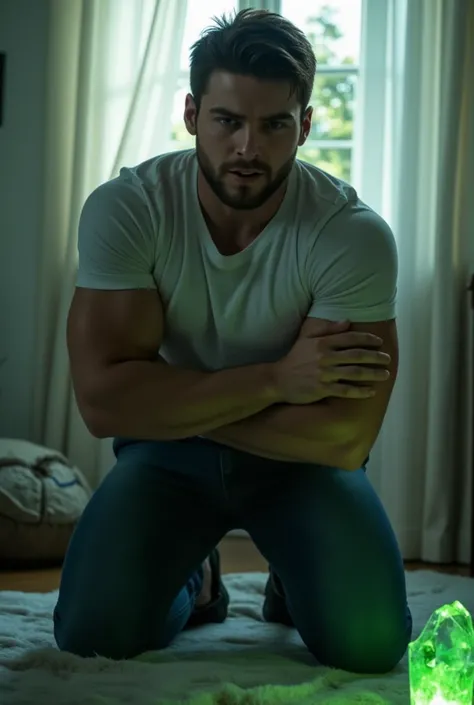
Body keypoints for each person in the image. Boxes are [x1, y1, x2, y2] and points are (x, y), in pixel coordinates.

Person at [53, 9, 412, 672]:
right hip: (169, 460)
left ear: (305, 125)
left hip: (300, 464)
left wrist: (166, 404)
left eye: (275, 124)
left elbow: (343, 437)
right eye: (227, 120)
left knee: (370, 644)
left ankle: (292, 580)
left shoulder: (350, 233)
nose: (248, 147)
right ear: (192, 114)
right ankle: (200, 581)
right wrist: (278, 379)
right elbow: (103, 404)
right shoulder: (131, 207)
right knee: (91, 633)